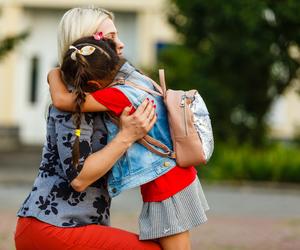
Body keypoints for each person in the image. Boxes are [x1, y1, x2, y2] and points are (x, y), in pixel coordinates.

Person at [48, 8, 210, 249]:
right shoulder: (133, 77)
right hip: (169, 177)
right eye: (111, 38)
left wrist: (54, 73)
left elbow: (63, 100)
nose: (121, 45)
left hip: (165, 182)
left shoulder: (118, 93)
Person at [14, 7, 160, 250]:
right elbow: (79, 178)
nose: (121, 44)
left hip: (75, 226)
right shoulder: (71, 103)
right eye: (111, 37)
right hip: (52, 227)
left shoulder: (97, 96)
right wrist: (126, 136)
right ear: (85, 44)